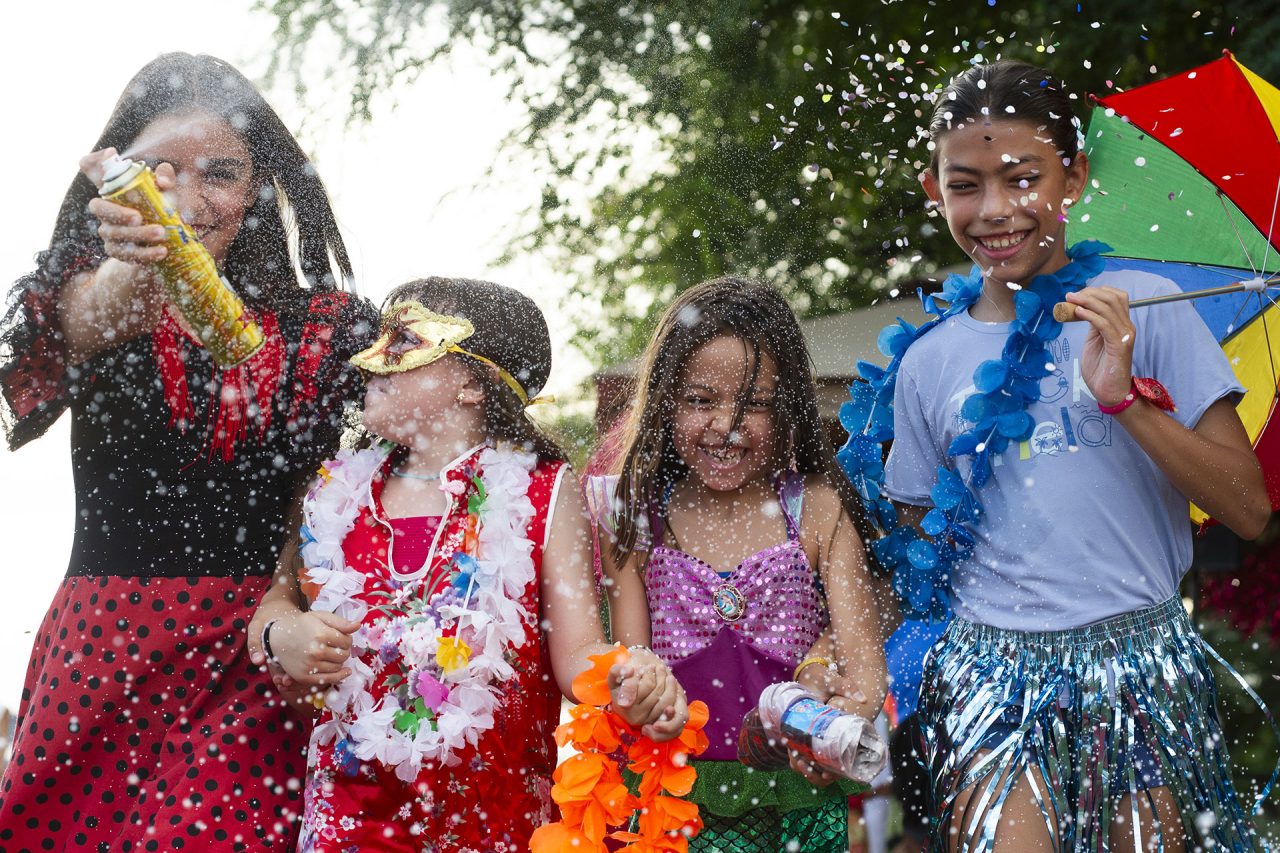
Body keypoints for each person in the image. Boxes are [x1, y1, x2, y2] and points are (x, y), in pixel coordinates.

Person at [880, 59, 1269, 851]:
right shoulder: (927, 362)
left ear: (1075, 175)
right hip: (989, 671)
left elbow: (1249, 507)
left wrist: (1122, 398)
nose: (996, 210)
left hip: (1135, 666)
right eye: (966, 184)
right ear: (933, 190)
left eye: (1023, 178)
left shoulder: (1148, 308)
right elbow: (914, 548)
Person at [0, 53, 377, 850]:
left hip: (259, 649)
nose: (189, 198)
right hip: (105, 652)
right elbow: (103, 312)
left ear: (260, 188)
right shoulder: (81, 292)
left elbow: (356, 488)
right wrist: (136, 257)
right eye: (157, 171)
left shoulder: (332, 331)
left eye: (221, 173)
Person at [247, 277, 690, 852]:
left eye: (403, 341)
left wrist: (627, 678)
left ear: (470, 383)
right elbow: (275, 605)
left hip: (490, 821)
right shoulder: (333, 492)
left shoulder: (544, 494)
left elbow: (577, 654)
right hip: (348, 820)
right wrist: (284, 633)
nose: (370, 359)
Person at [592, 276, 888, 851]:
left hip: (796, 800)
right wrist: (645, 703)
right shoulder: (633, 515)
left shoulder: (819, 509)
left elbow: (866, 672)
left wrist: (832, 724)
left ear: (789, 410)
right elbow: (632, 664)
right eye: (700, 401)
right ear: (664, 402)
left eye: (755, 404)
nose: (726, 428)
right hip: (673, 799)